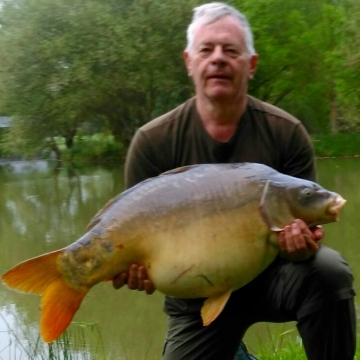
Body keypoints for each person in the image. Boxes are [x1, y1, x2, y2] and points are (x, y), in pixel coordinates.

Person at [112, 3, 356, 360]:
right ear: (189, 62)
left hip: (275, 280)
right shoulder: (153, 142)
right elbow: (133, 242)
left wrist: (303, 245)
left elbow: (309, 233)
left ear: (251, 64)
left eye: (230, 50)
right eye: (206, 50)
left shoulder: (286, 133)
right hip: (195, 297)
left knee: (328, 271)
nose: (218, 59)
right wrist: (134, 268)